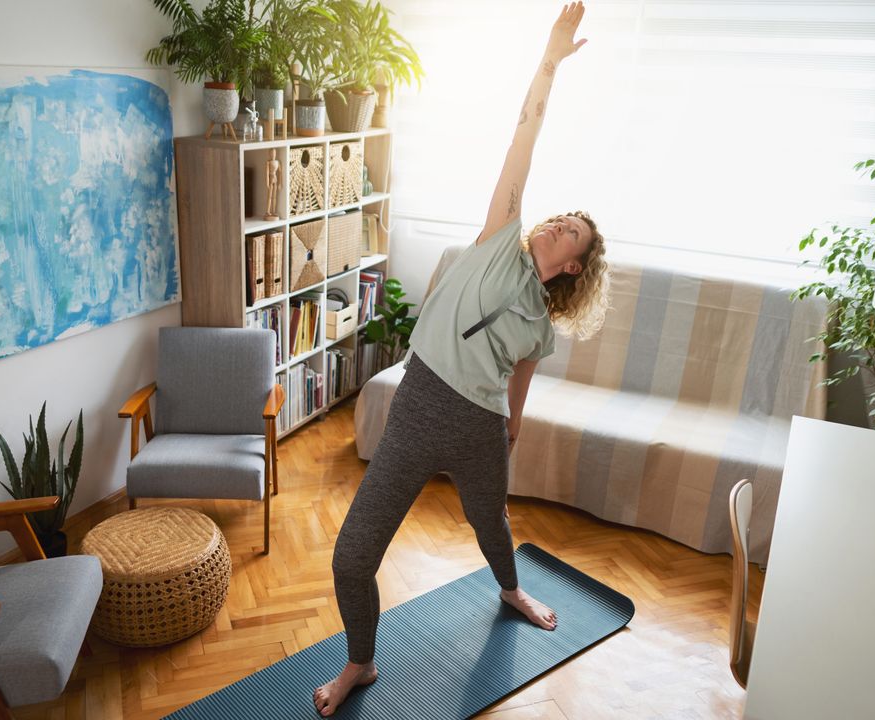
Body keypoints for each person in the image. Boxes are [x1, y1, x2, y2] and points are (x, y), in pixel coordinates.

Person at [313, 3, 610, 716]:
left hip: (479, 426)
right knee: (353, 554)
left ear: (573, 267)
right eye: (565, 217)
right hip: (420, 405)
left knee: (491, 526)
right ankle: (361, 663)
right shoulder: (499, 235)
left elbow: (524, 374)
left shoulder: (542, 322)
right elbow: (524, 138)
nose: (564, 224)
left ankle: (510, 589)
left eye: (576, 232)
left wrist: (513, 424)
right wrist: (547, 62)